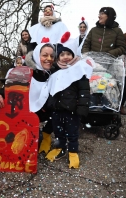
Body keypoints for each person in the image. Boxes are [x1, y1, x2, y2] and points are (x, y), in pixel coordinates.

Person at [0, 39, 55, 155]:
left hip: (41, 116)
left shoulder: (53, 75)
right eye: (45, 55)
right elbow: (8, 89)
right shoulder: (24, 72)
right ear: (36, 56)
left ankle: (46, 134)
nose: (49, 59)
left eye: (52, 56)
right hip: (21, 117)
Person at [45, 32, 92, 169]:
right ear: (58, 57)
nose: (65, 57)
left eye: (68, 54)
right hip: (57, 109)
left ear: (73, 55)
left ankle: (73, 152)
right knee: (58, 131)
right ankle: (60, 148)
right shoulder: (54, 71)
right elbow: (50, 89)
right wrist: (51, 104)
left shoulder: (79, 71)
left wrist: (82, 107)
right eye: (62, 54)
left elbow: (84, 91)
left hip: (72, 110)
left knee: (72, 133)